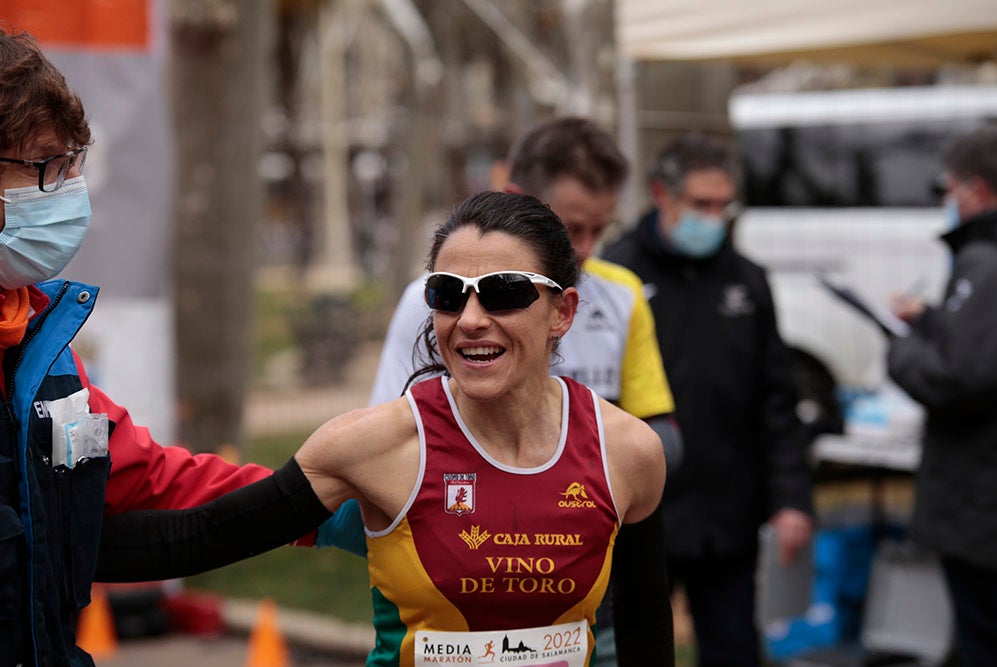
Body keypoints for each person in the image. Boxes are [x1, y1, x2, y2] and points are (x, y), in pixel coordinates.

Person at [97, 190, 673, 667]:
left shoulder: (627, 453)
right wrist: (35, 552)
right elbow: (203, 537)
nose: (471, 320)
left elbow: (647, 634)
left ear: (563, 312)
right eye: (448, 295)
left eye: (504, 292)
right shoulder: (373, 445)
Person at [0, 28, 358, 667]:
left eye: (75, 161)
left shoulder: (34, 335)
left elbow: (142, 482)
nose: (73, 186)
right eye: (48, 168)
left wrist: (314, 503)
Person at [366, 116, 680, 664]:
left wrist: (585, 463)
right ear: (516, 198)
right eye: (568, 227)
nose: (580, 249)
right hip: (466, 592)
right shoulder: (435, 298)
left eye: (597, 230)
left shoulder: (622, 294)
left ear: (564, 314)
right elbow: (384, 450)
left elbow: (658, 431)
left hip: (591, 593)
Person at [603, 132, 814, 667]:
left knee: (735, 650)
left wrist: (792, 499)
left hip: (730, 518)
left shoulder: (749, 281)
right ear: (662, 195)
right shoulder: (616, 277)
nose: (714, 218)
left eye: (724, 205)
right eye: (702, 204)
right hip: (640, 519)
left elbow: (777, 400)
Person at [885, 124, 997, 667]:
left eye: (949, 188)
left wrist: (900, 349)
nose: (947, 201)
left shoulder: (985, 261)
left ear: (975, 191)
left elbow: (962, 377)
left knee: (981, 637)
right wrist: (932, 318)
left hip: (981, 504)